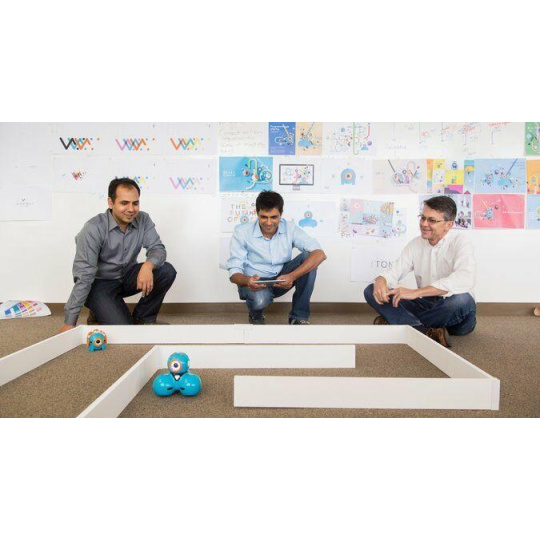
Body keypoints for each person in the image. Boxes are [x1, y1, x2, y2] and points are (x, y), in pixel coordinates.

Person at [60, 178, 177, 332]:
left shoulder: (143, 219)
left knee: (166, 271)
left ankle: (143, 319)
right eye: (124, 203)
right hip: (100, 285)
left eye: (135, 203)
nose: (131, 209)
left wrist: (148, 266)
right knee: (123, 330)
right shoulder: (93, 229)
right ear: (111, 202)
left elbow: (158, 249)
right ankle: (97, 310)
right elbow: (84, 275)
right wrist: (70, 322)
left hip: (126, 277)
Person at [363, 196, 476, 348]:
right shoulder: (415, 244)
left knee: (461, 299)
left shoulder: (461, 242)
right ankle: (425, 331)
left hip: (453, 312)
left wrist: (416, 292)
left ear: (448, 225)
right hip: (425, 304)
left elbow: (464, 278)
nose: (424, 224)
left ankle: (400, 323)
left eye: (432, 220)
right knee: (371, 290)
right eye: (422, 218)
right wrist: (381, 280)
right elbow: (394, 271)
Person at [227, 191, 327, 325]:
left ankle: (298, 317)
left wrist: (292, 276)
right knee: (260, 300)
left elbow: (320, 254)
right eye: (264, 217)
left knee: (309, 258)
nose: (269, 223)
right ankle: (255, 315)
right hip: (253, 282)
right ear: (257, 213)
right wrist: (247, 281)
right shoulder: (242, 232)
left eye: (274, 217)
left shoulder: (290, 228)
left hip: (281, 278)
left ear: (281, 213)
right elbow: (234, 273)